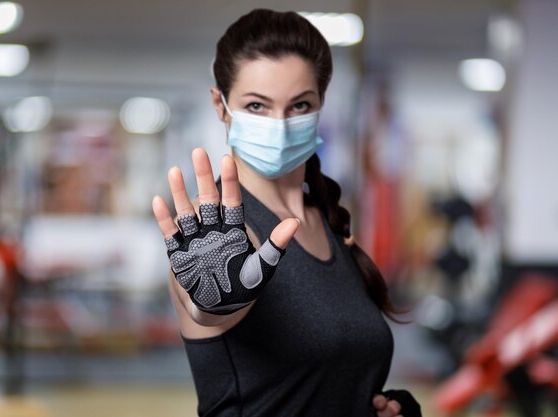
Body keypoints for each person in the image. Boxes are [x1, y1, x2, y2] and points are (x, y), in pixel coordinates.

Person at [152, 8, 422, 417]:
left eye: (299, 105)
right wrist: (212, 303)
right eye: (257, 106)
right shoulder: (219, 243)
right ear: (220, 105)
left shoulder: (329, 224)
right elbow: (206, 309)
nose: (279, 124)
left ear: (319, 106)